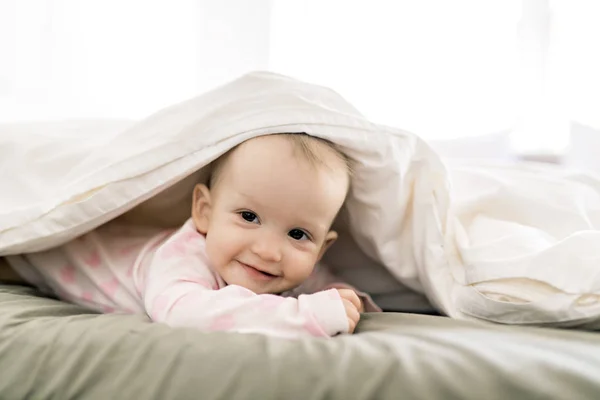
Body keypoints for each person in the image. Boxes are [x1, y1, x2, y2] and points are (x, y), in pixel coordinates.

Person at [0, 133, 380, 338]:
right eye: (248, 216)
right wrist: (305, 317)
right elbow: (185, 313)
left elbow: (322, 287)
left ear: (321, 248)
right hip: (60, 254)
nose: (268, 251)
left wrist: (349, 300)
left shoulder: (288, 266)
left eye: (298, 234)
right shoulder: (182, 258)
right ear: (204, 212)